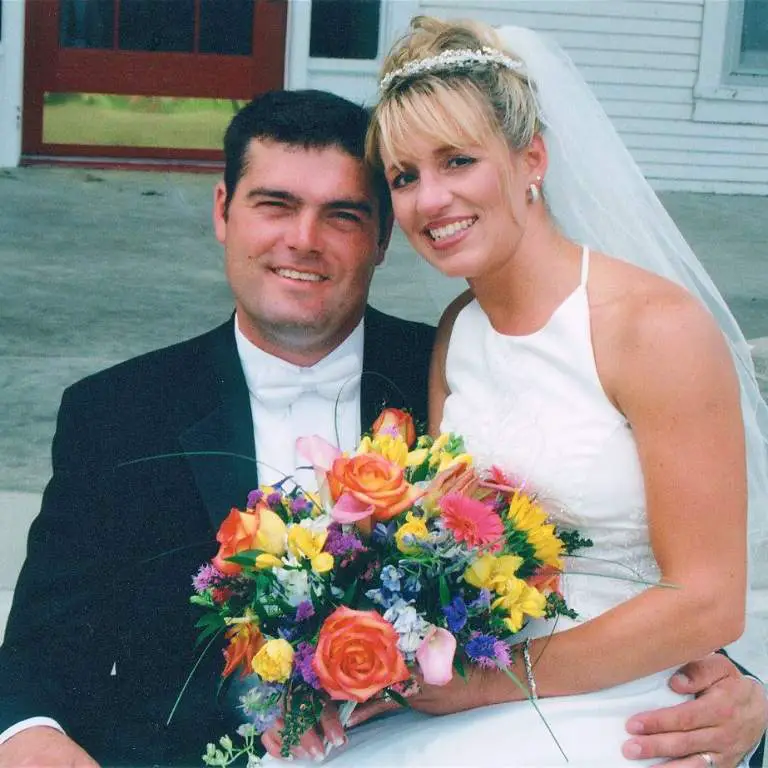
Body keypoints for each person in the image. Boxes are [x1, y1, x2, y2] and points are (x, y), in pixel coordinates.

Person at [0, 90, 763, 768]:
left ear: (383, 237)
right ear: (222, 211)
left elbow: (593, 540)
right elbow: (43, 640)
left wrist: (740, 690)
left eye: (343, 215)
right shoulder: (116, 412)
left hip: (439, 733)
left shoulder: (448, 366)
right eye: (274, 205)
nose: (304, 239)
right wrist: (29, 734)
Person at [263, 20, 768, 768]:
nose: (430, 199)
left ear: (531, 157)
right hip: (477, 672)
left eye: (457, 161)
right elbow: (445, 540)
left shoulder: (653, 329)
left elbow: (707, 599)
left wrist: (486, 682)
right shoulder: (459, 330)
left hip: (622, 689)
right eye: (403, 177)